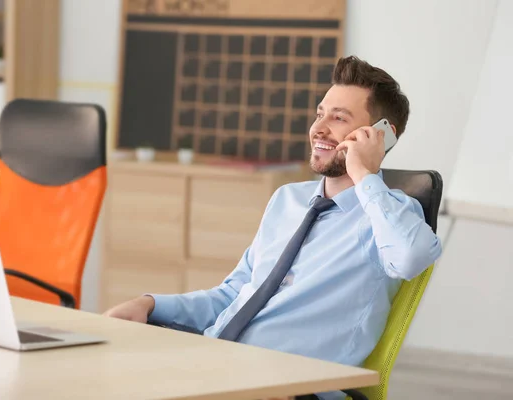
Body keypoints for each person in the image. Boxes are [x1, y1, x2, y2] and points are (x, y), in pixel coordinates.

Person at [103, 56, 442, 400]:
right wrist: (150, 305)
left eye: (339, 118)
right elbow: (234, 294)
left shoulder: (390, 216)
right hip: (217, 368)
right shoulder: (288, 201)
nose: (319, 128)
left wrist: (366, 177)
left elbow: (412, 258)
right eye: (319, 114)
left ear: (381, 136)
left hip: (285, 389)